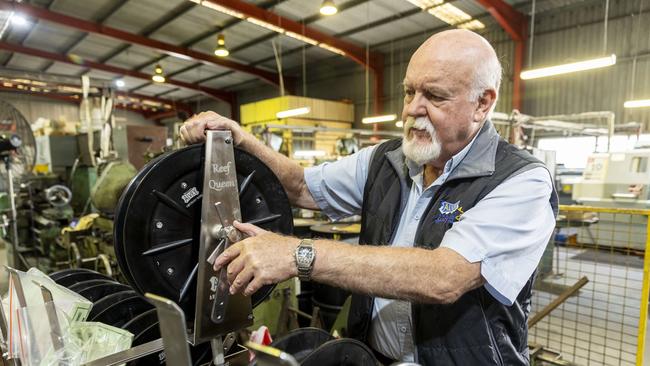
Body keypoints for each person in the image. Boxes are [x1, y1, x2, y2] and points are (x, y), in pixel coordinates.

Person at [180, 29, 558, 365]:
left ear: (482, 103)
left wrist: (297, 253)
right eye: (409, 92)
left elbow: (445, 276)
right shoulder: (387, 160)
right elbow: (300, 185)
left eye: (434, 96)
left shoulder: (522, 181)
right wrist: (243, 142)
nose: (412, 109)